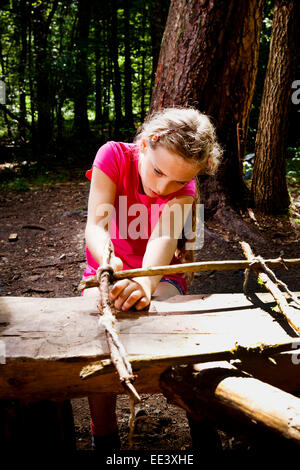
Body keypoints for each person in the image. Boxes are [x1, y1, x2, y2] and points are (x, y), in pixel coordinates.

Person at [81, 106, 222, 452]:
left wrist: (144, 285)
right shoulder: (112, 155)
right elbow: (95, 226)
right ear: (144, 145)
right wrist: (110, 268)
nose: (163, 187)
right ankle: (105, 435)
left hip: (159, 272)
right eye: (158, 172)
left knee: (175, 327)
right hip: (105, 266)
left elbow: (162, 240)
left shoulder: (184, 190)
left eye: (176, 180)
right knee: (95, 335)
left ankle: (201, 423)